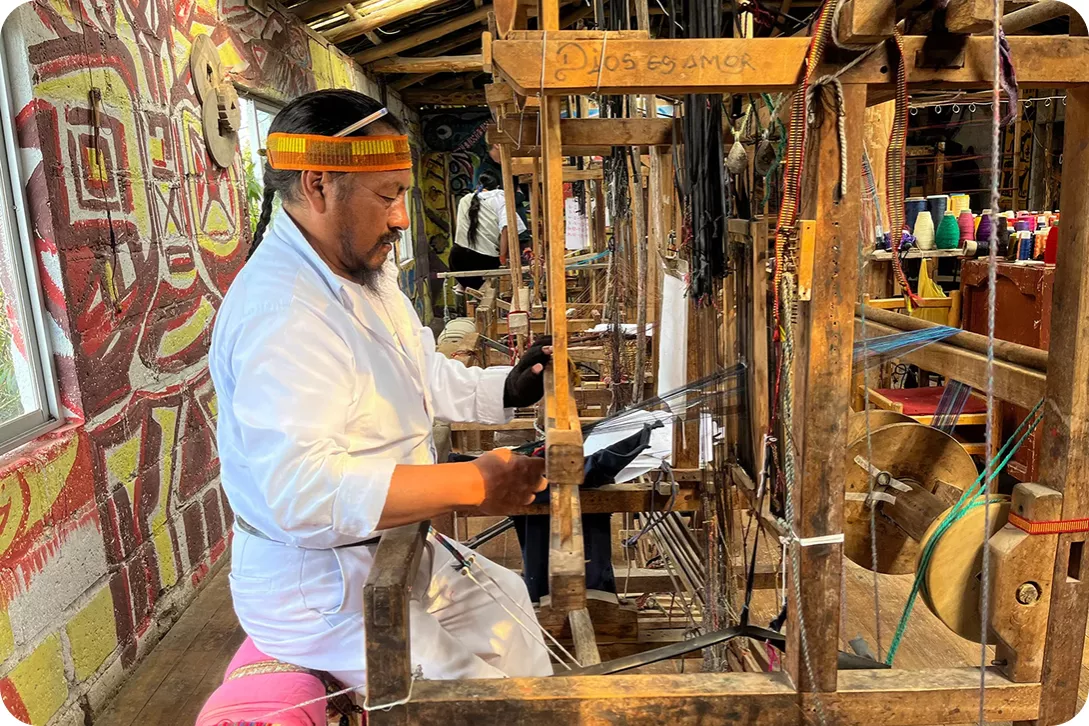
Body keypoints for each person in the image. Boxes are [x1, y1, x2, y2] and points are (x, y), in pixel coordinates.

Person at [209, 89, 555, 698]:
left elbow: (418, 373)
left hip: (393, 548)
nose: (401, 217)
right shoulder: (284, 312)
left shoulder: (363, 273)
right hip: (320, 589)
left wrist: (506, 387)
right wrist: (474, 484)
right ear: (318, 186)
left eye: (403, 194)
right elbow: (303, 494)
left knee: (514, 617)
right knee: (473, 697)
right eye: (387, 195)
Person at [450, 179, 526, 291]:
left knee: (465, 255)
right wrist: (503, 257)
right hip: (485, 262)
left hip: (457, 261)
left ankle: (462, 285)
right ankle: (473, 286)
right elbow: (507, 228)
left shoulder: (465, 200)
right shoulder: (500, 198)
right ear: (498, 186)